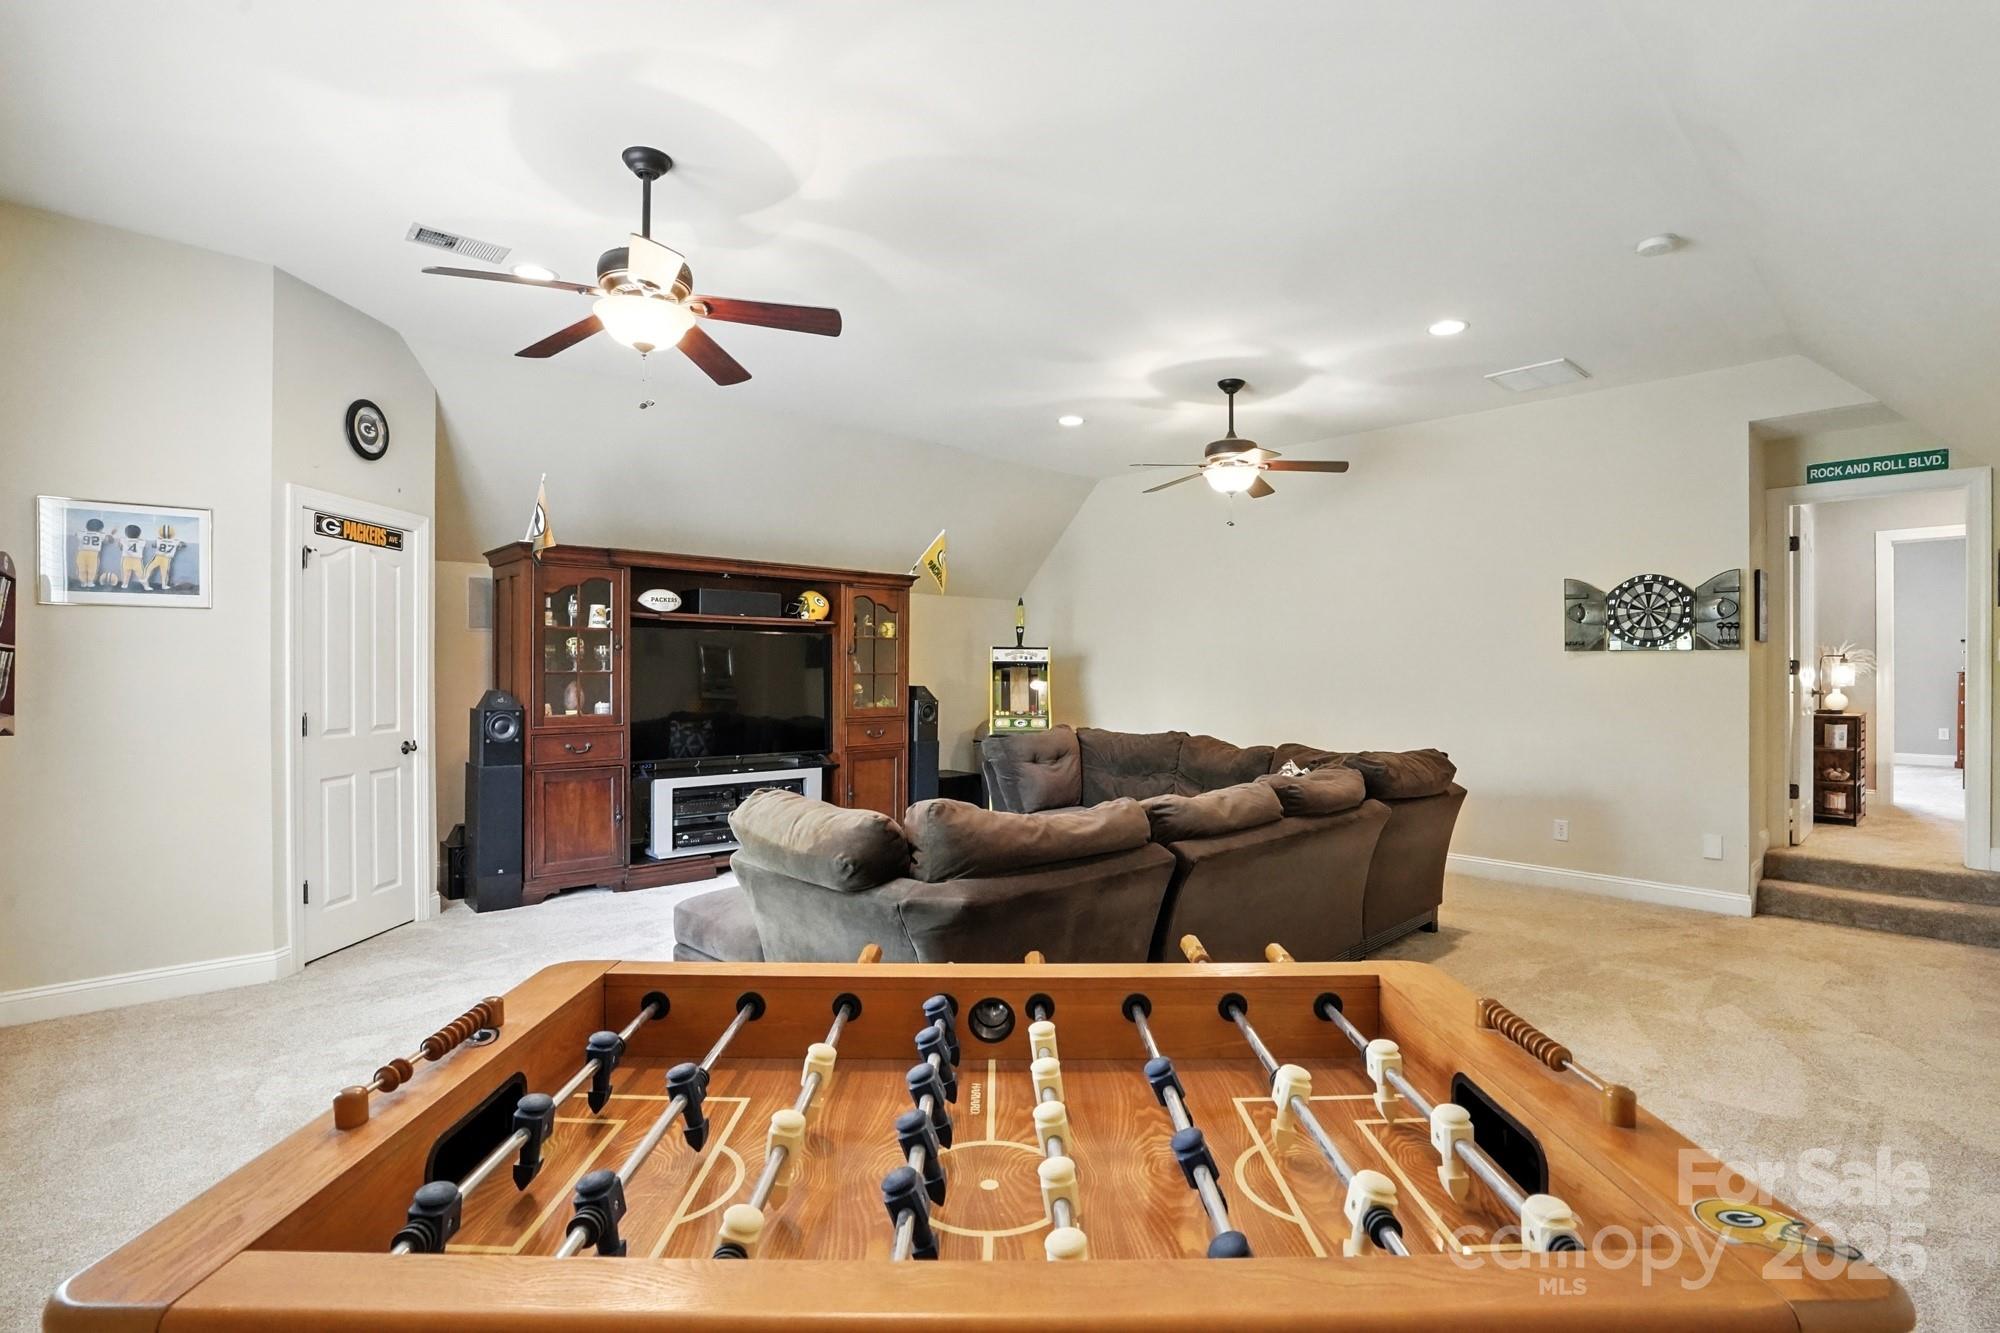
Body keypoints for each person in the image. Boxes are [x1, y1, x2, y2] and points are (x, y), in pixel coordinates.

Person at [144, 524, 183, 590]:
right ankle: (164, 585)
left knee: (149, 568)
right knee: (165, 572)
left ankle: (145, 579)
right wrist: (177, 544)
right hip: (167, 558)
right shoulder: (175, 541)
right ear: (172, 533)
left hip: (158, 556)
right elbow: (182, 545)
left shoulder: (159, 540)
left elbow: (153, 545)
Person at [74, 518, 108, 587]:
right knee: (92, 569)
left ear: (87, 527)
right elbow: (107, 540)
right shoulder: (100, 534)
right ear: (100, 529)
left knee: (81, 568)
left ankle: (83, 582)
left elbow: (76, 534)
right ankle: (90, 582)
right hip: (93, 554)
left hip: (81, 553)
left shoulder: (82, 533)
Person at [116, 523, 147, 588]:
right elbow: (144, 547)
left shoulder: (123, 540)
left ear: (126, 534)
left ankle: (124, 585)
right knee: (141, 575)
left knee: (126, 574)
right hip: (137, 560)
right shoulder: (142, 541)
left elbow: (120, 547)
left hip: (126, 559)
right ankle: (146, 586)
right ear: (139, 534)